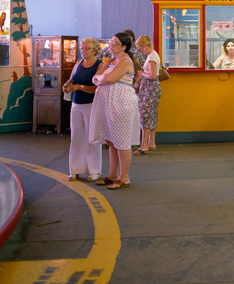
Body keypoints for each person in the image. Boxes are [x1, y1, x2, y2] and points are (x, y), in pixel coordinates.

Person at [89, 32, 141, 190]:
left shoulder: (125, 61)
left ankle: (124, 177)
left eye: (115, 43)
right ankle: (113, 174)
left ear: (124, 47)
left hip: (121, 104)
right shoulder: (112, 60)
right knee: (111, 141)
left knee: (122, 142)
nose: (110, 45)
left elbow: (109, 79)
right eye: (111, 42)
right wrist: (102, 79)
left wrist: (103, 79)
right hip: (108, 103)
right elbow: (95, 78)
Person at [63, 38, 104, 181]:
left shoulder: (99, 65)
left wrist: (80, 88)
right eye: (82, 48)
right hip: (76, 105)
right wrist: (67, 85)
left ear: (95, 50)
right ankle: (75, 169)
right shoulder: (79, 63)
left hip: (91, 105)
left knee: (92, 138)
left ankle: (95, 170)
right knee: (76, 137)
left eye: (87, 48)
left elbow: (99, 88)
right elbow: (72, 80)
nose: (83, 51)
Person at [133, 35, 162, 155]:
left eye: (140, 49)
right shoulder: (153, 55)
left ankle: (144, 145)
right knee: (152, 114)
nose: (140, 51)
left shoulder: (151, 58)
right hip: (153, 88)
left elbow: (152, 75)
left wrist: (141, 73)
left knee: (145, 114)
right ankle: (151, 142)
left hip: (150, 88)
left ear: (145, 46)